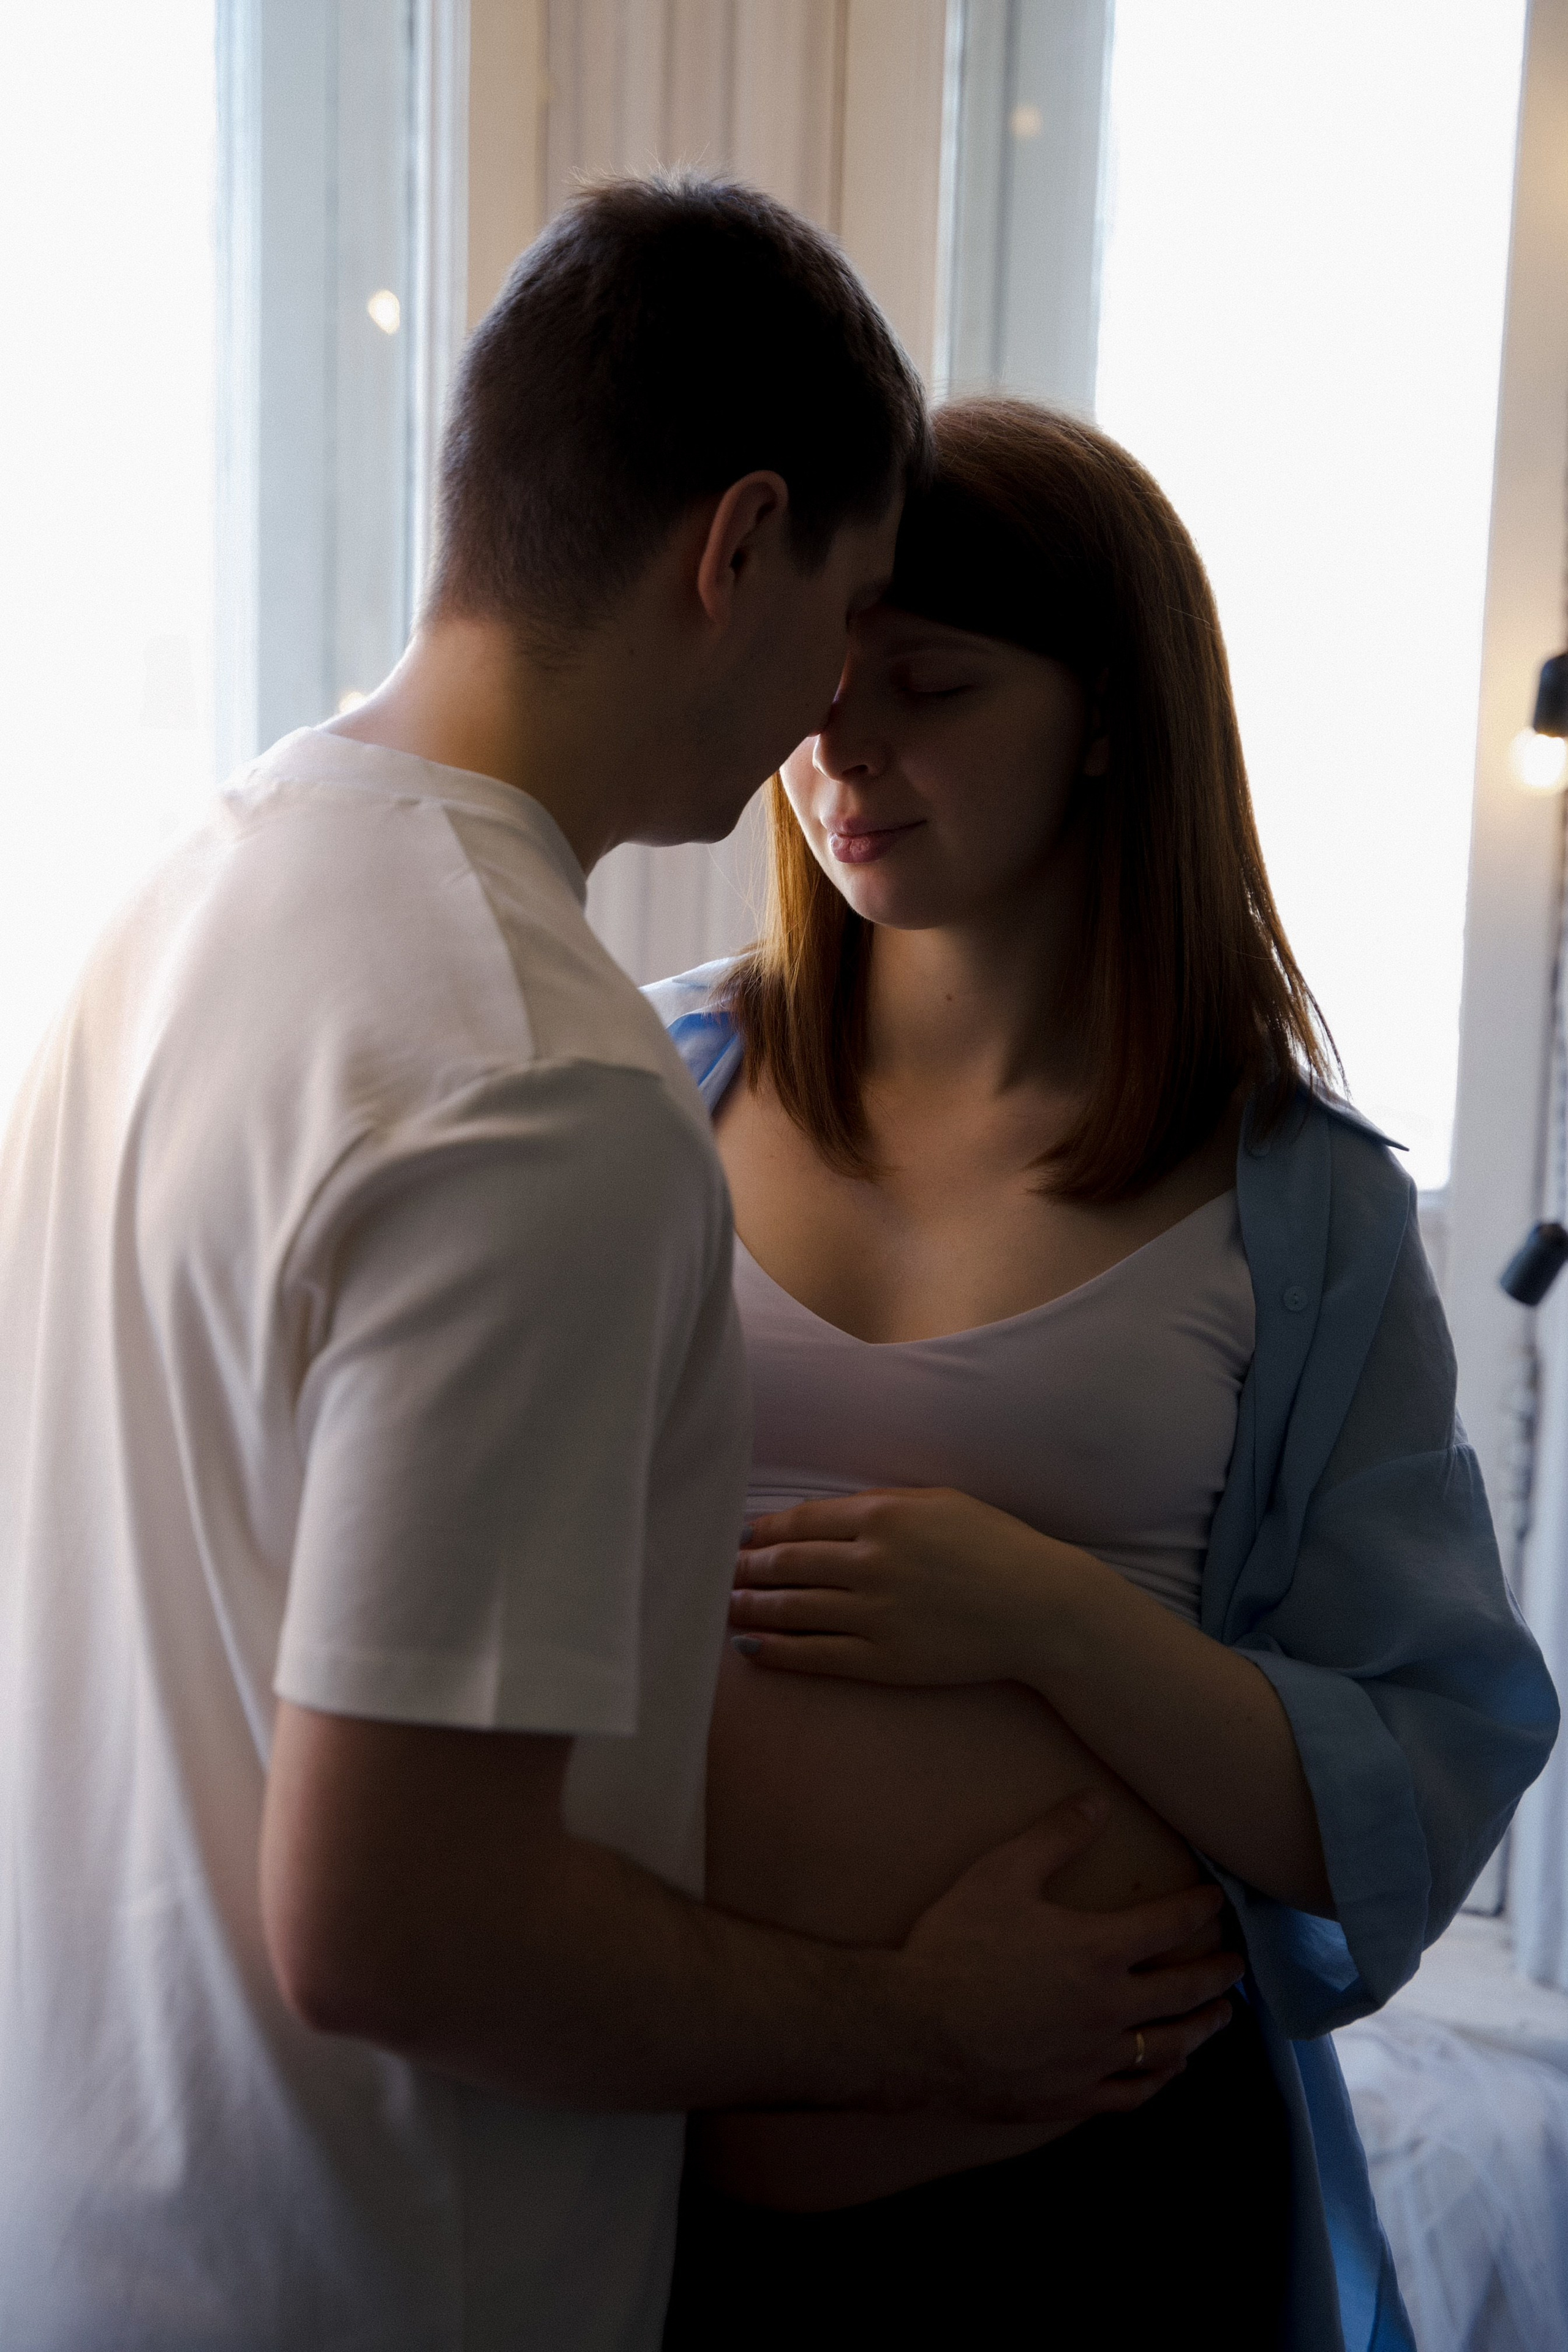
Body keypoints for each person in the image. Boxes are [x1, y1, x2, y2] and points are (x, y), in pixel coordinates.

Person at [0, 188, 1245, 2352]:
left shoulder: (183, 910)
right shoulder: (543, 1082)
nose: (825, 719)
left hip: (107, 2212)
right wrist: (920, 2022)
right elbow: (407, 1933)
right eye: (845, 615)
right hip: (386, 2272)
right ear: (734, 548)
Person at [650, 398, 1561, 2352]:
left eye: (938, 685)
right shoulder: (645, 1092)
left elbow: (1419, 1774)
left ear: (1110, 718)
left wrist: (1044, 1614)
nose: (841, 747)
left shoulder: (1299, 1214)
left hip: (1098, 2219)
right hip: (645, 2196)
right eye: (821, 683)